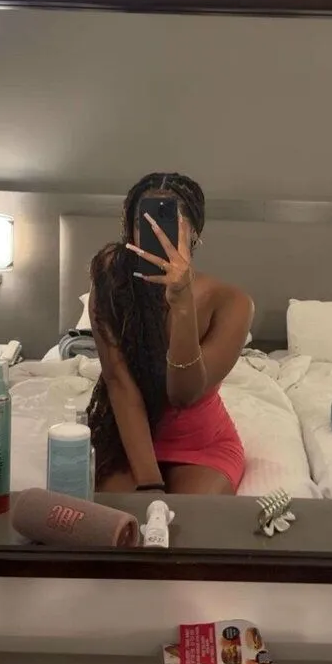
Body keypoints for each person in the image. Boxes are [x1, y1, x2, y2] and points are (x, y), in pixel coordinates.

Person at [87, 172, 254, 495]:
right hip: (126, 439)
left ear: (194, 234)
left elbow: (183, 394)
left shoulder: (233, 302)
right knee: (123, 520)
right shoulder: (112, 282)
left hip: (201, 443)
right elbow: (119, 382)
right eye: (144, 224)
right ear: (130, 231)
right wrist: (150, 484)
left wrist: (182, 304)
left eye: (167, 224)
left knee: (190, 520)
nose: (155, 234)